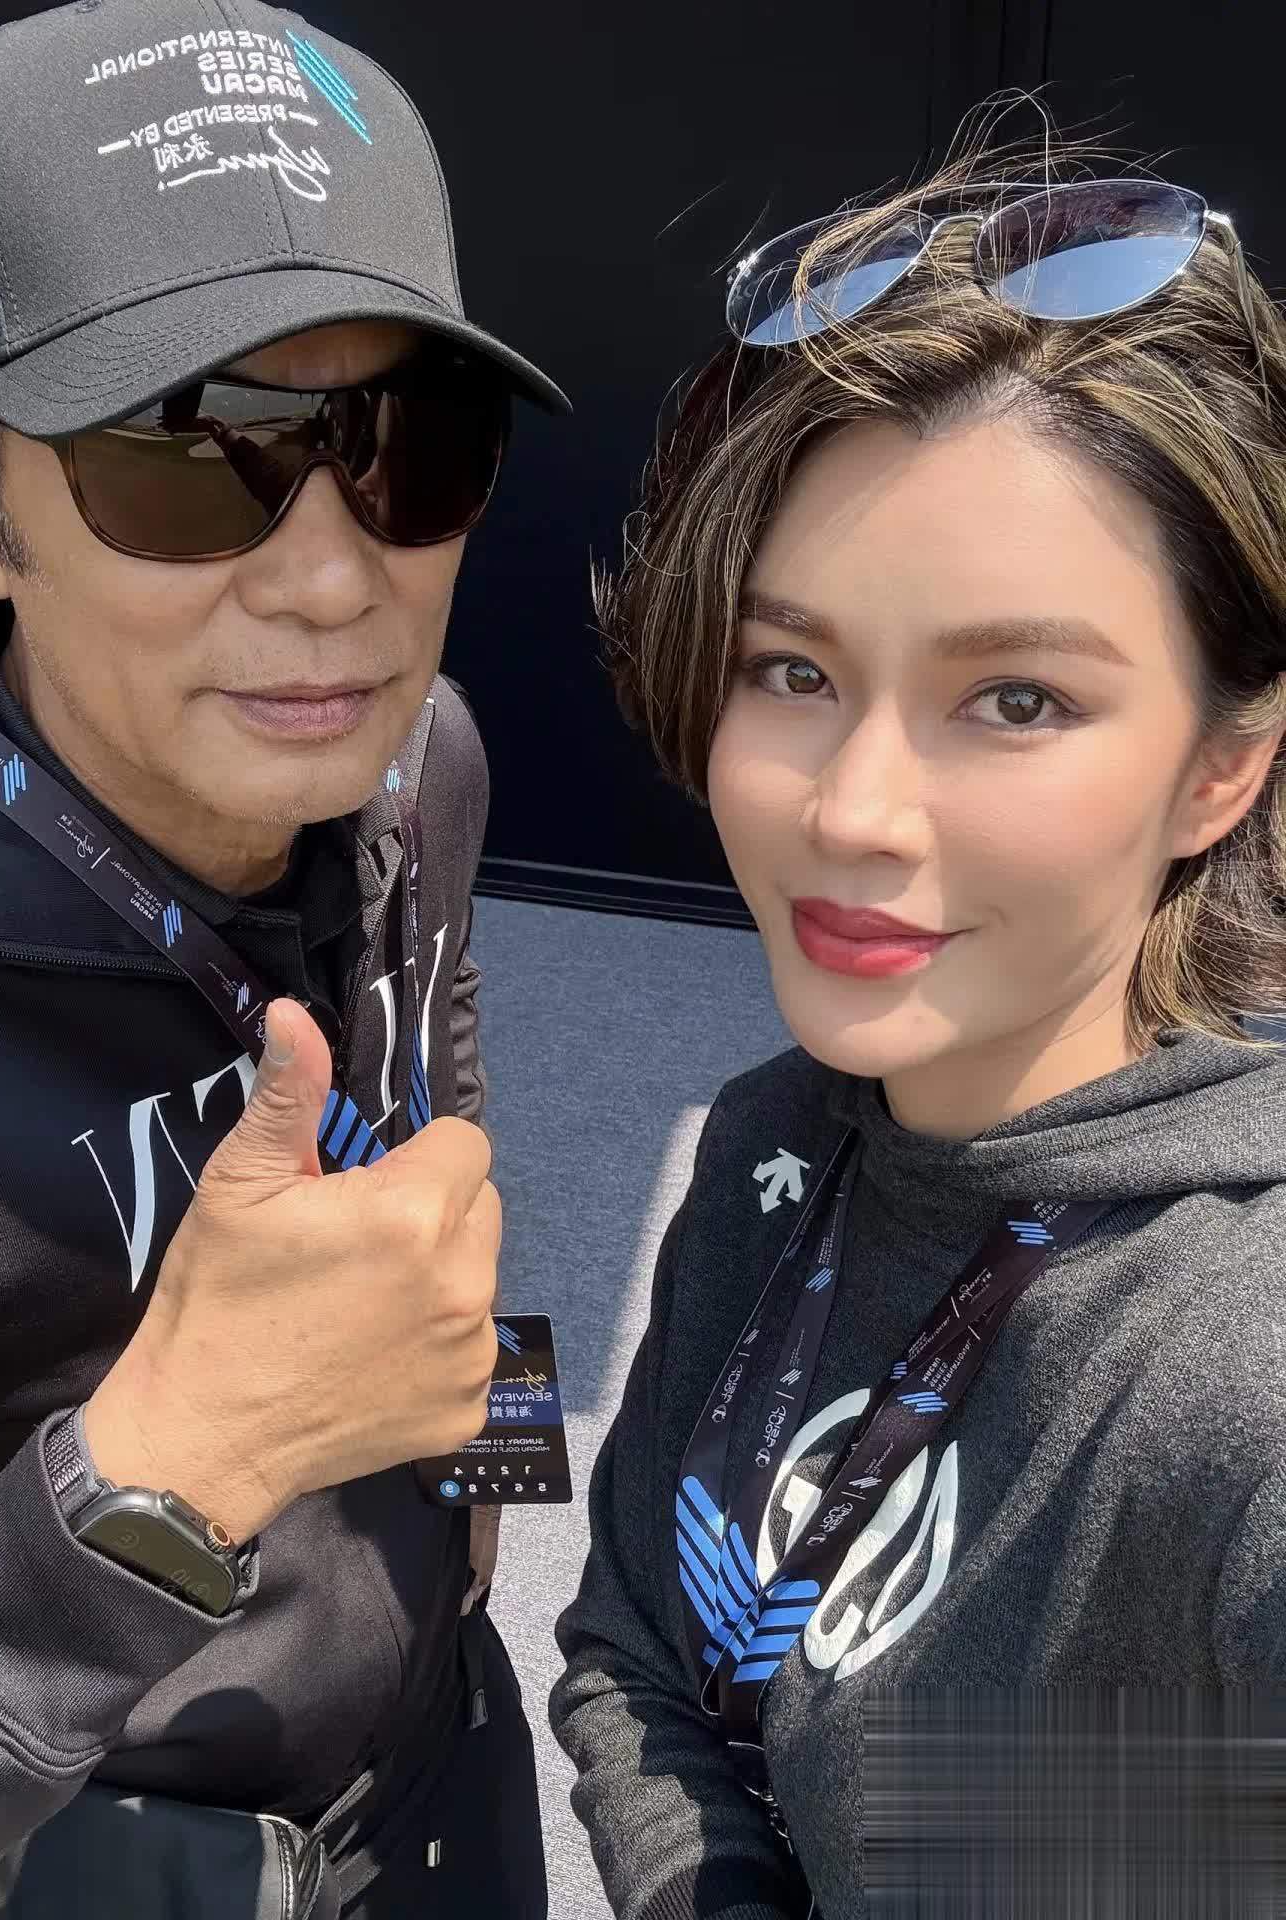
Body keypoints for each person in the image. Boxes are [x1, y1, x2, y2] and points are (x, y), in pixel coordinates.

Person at [0, 3, 568, 1916]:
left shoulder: (422, 764)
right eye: (187, 455)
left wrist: (492, 1510)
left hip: (443, 1767)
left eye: (406, 447)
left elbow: (448, 1143)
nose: (333, 581)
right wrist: (168, 1468)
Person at [551, 133, 1286, 1920]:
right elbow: (637, 1644)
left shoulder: (1237, 1375)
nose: (856, 812)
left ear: (1223, 765)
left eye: (1014, 699)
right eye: (794, 671)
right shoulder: (776, 1141)